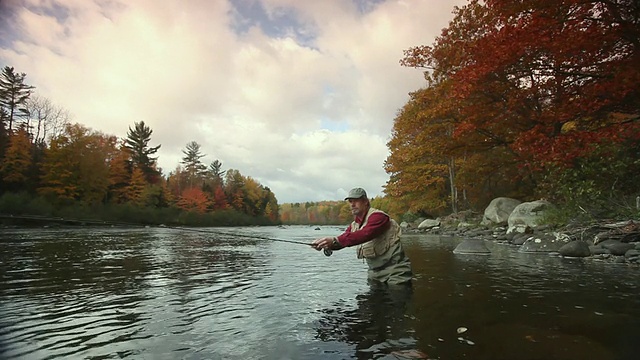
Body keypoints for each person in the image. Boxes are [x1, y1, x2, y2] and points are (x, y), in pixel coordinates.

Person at [311, 187, 413, 285]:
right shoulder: (354, 225)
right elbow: (342, 242)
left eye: (356, 201)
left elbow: (365, 234)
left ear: (365, 202)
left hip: (396, 271)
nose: (352, 204)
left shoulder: (378, 217)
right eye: (350, 201)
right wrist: (325, 244)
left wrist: (334, 239)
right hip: (374, 274)